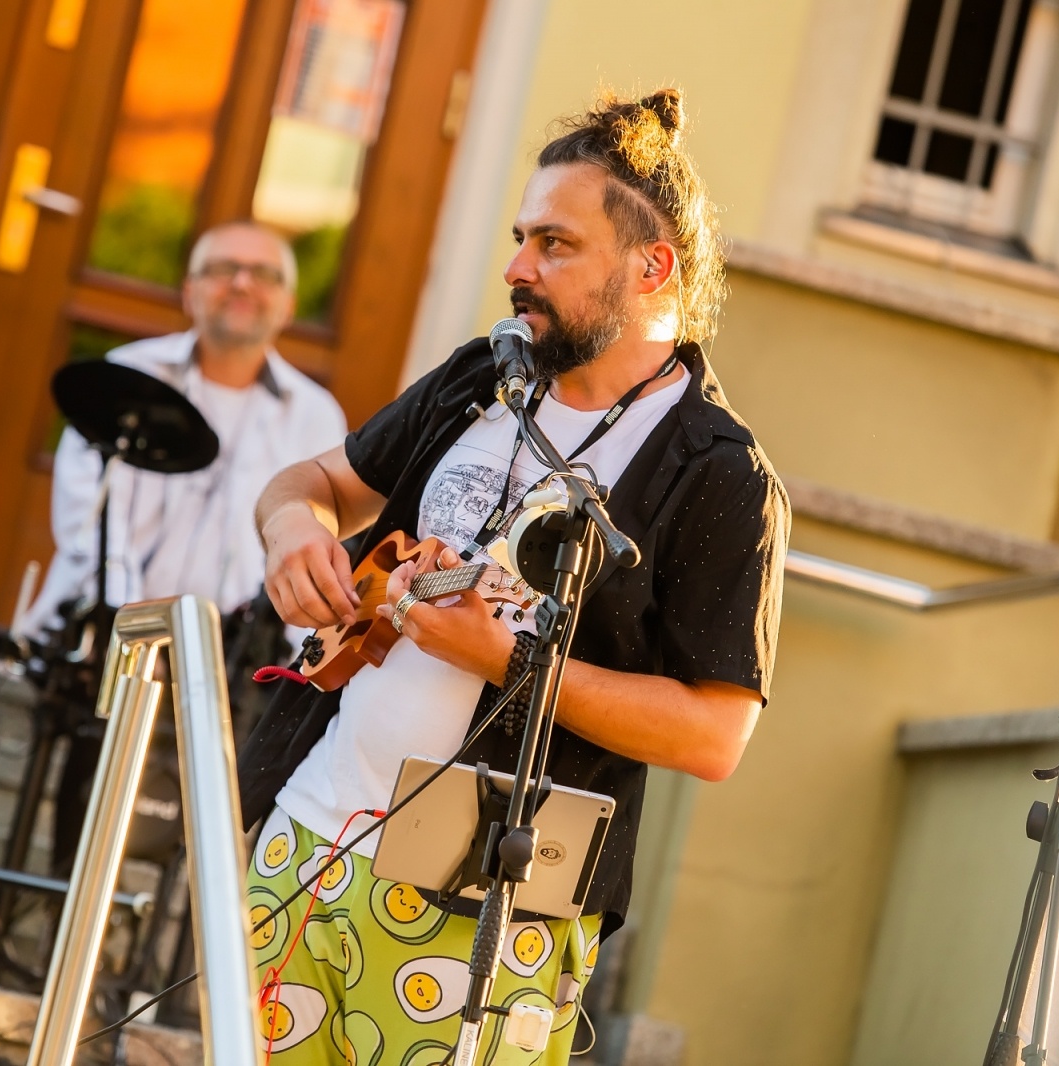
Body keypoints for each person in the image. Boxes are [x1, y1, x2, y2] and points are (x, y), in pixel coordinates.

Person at [240, 90, 791, 1064]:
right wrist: (293, 530)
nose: (516, 267)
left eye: (554, 244)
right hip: (303, 842)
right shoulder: (480, 378)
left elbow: (714, 733)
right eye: (519, 237)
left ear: (650, 266)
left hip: (488, 907)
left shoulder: (720, 474)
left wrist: (513, 660)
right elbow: (318, 481)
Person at [21, 220, 347, 871]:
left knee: (199, 835)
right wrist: (137, 624)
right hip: (115, 635)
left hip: (234, 656)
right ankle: (61, 910)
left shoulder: (317, 417)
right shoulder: (124, 376)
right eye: (223, 268)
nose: (242, 284)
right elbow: (85, 522)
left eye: (265, 275)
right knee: (89, 802)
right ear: (190, 290)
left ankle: (157, 950)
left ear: (287, 304)